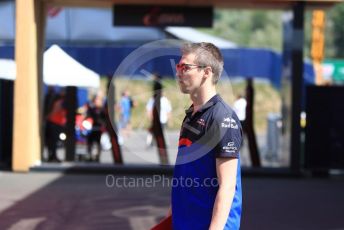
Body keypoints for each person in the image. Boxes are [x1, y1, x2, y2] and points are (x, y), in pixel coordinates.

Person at [153, 42, 243, 230]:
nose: (178, 72)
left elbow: (227, 187)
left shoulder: (222, 117)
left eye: (185, 67)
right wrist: (171, 217)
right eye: (178, 66)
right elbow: (184, 176)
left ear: (206, 72)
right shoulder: (190, 116)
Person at [45, 90, 66, 162]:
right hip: (55, 123)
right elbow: (55, 111)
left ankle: (52, 156)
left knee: (53, 141)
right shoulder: (60, 102)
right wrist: (47, 117)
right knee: (53, 141)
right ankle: (53, 156)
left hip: (56, 123)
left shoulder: (61, 101)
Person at [86, 93, 106, 162]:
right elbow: (88, 116)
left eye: (98, 100)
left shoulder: (102, 110)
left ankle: (97, 156)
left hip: (99, 129)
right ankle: (89, 155)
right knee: (90, 142)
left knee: (98, 142)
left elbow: (105, 119)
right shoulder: (92, 108)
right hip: (92, 128)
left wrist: (102, 124)